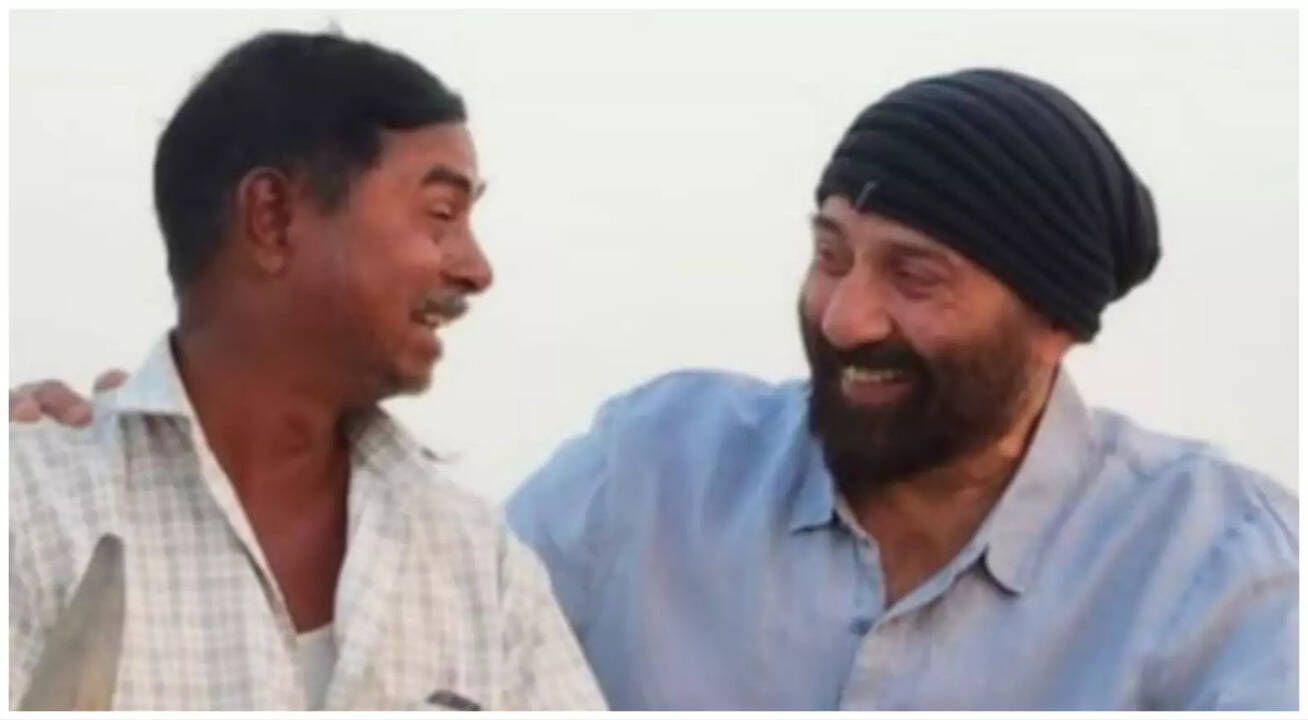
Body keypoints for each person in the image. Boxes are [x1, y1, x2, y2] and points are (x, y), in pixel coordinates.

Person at [14, 69, 1298, 710]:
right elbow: (403, 632)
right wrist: (195, 455)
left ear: (1056, 324)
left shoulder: (1222, 571)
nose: (846, 315)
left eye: (915, 276)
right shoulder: (655, 472)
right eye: (830, 251)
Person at [8, 31, 603, 711]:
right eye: (440, 215)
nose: (476, 269)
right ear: (273, 216)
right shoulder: (32, 512)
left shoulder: (480, 566)